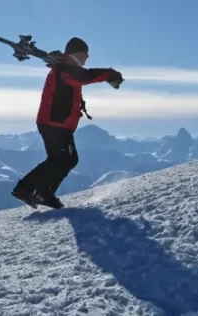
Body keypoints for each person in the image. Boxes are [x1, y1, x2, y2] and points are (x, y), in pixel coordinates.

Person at [11, 37, 123, 209]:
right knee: (62, 159)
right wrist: (109, 74)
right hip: (54, 123)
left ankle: (43, 193)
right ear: (78, 54)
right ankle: (26, 189)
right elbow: (85, 77)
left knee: (66, 159)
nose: (87, 58)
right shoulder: (65, 69)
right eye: (86, 55)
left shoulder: (65, 68)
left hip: (57, 123)